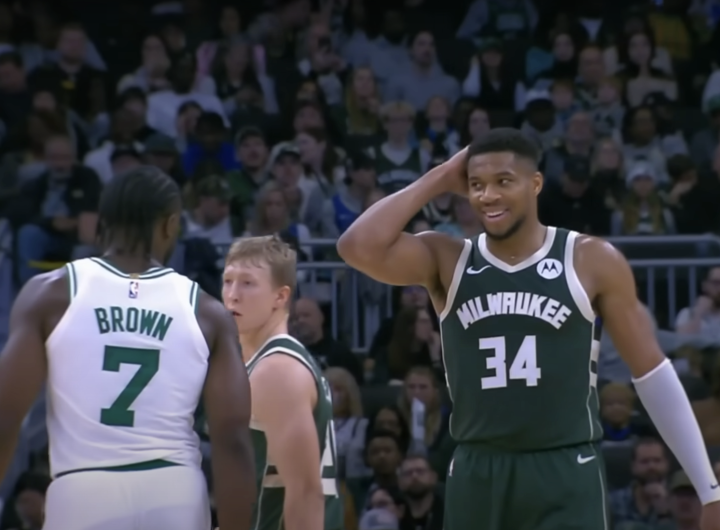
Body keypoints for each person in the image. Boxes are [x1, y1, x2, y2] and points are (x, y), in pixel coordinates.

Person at [337, 128, 720, 530]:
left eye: (503, 181)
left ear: (535, 184)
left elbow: (652, 372)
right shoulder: (447, 257)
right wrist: (439, 177)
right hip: (477, 467)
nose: (488, 196)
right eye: (476, 185)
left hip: (566, 466)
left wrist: (708, 488)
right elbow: (356, 247)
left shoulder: (589, 259)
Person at [0, 166, 256, 530]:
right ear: (170, 226)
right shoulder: (208, 312)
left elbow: (6, 415)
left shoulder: (50, 293)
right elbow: (231, 439)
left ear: (101, 222)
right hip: (176, 493)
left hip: (83, 491)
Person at [222, 235, 344, 530]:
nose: (233, 294)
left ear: (280, 296)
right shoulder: (267, 363)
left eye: (248, 283)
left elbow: (306, 493)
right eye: (228, 281)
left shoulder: (278, 369)